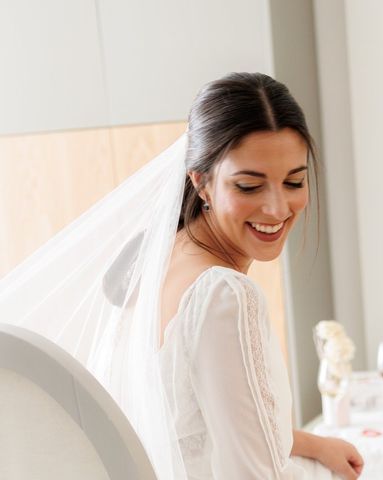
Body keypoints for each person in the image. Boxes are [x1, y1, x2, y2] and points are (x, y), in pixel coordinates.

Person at [0, 73, 363, 480]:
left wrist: (314, 445)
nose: (278, 208)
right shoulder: (225, 295)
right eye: (248, 186)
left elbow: (193, 425)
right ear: (201, 182)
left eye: (294, 181)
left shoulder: (153, 260)